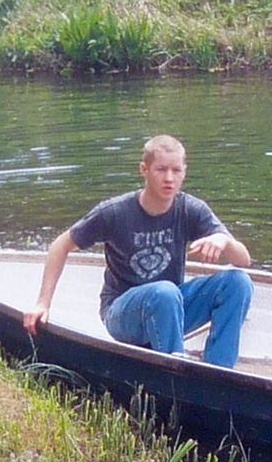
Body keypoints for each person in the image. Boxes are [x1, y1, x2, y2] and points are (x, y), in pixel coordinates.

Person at [23, 135, 254, 368]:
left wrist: (224, 241)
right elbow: (61, 245)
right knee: (165, 292)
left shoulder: (190, 209)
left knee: (238, 282)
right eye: (161, 169)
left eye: (176, 170)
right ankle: (176, 370)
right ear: (144, 169)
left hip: (170, 308)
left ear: (185, 172)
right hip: (122, 314)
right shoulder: (115, 212)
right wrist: (43, 303)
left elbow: (244, 260)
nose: (169, 178)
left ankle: (219, 370)